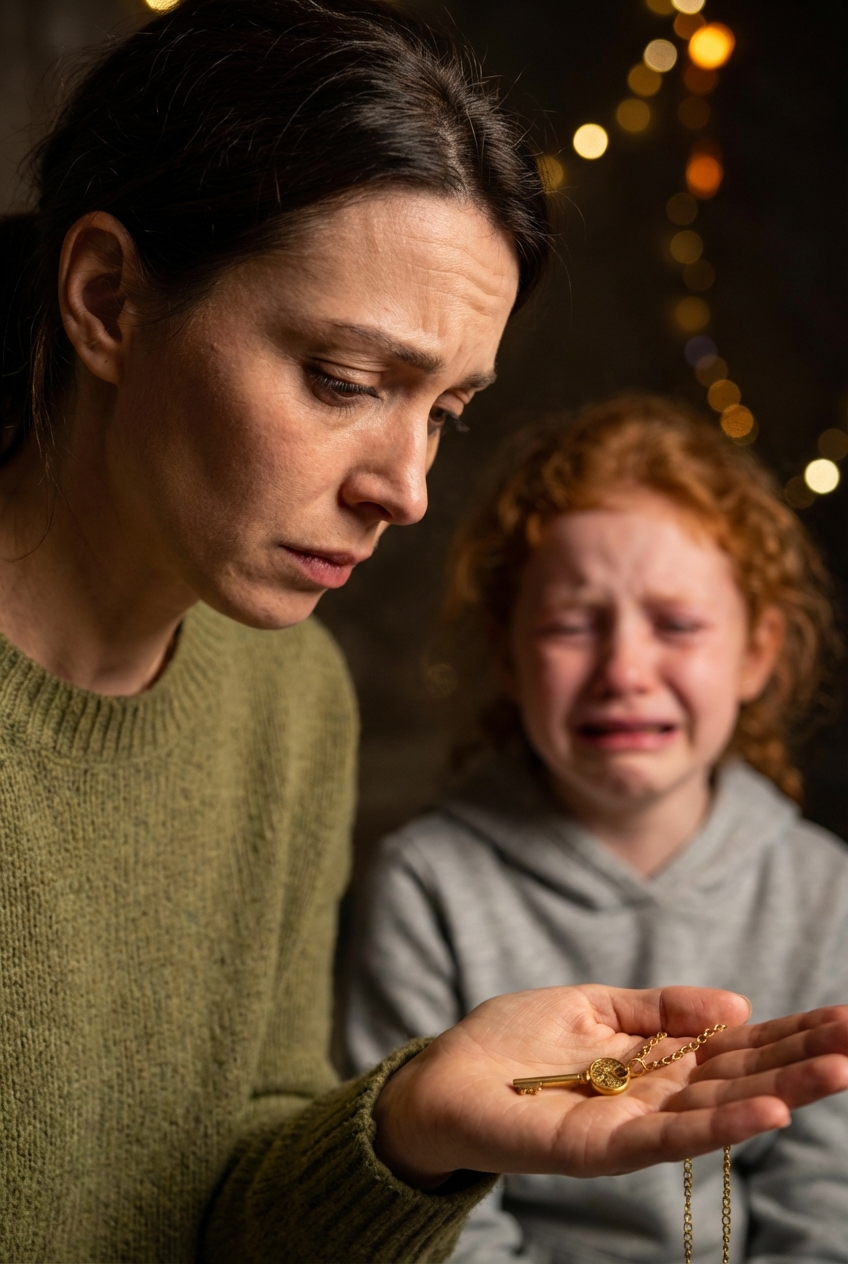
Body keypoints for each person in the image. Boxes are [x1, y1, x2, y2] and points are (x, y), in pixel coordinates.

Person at [1, 0, 846, 1257]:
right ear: (110, 300)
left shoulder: (290, 694)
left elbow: (232, 1222)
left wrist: (406, 1128)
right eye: (345, 381)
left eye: (445, 409)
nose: (404, 487)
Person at [345, 397, 848, 1263]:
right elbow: (425, 1206)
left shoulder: (823, 887)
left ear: (757, 654)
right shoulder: (425, 883)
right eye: (573, 626)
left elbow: (825, 1198)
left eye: (678, 625)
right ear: (508, 657)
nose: (623, 670)